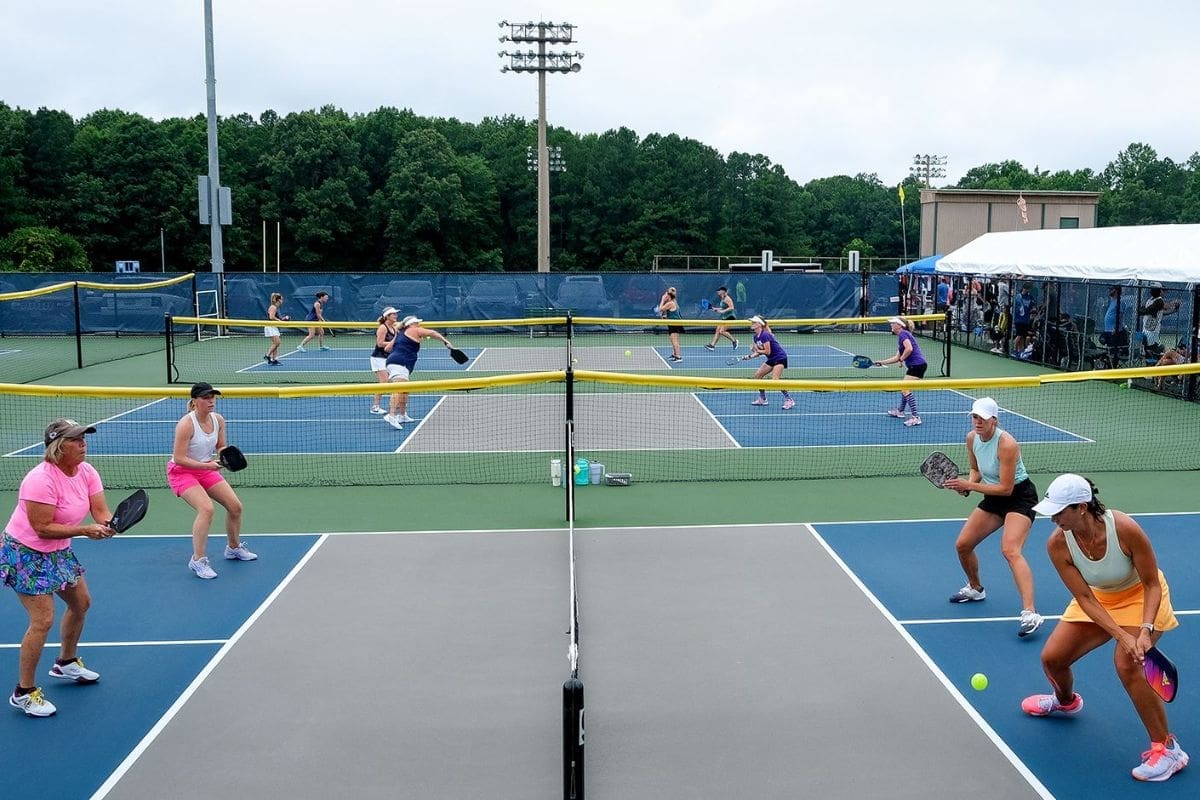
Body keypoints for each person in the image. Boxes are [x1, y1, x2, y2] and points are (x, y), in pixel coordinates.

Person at [1021, 474, 1187, 783]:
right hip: (1099, 599)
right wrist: (1123, 635)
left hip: (1142, 596)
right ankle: (1065, 701)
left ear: (1081, 507)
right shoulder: (1058, 543)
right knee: (1053, 659)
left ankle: (1168, 749)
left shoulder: (1124, 528)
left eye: (1060, 511)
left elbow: (1152, 584)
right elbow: (1084, 596)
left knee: (1128, 664)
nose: (1054, 518)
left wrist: (1145, 631)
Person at [3, 419, 116, 718]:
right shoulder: (40, 479)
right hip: (24, 553)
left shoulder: (87, 471)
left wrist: (109, 525)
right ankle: (23, 692)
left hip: (58, 551)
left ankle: (65, 663)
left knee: (81, 603)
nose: (83, 444)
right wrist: (85, 531)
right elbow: (41, 528)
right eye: (76, 440)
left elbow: (101, 511)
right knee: (42, 620)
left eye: (83, 438)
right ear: (57, 447)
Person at [942, 397, 1044, 638]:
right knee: (963, 545)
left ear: (994, 421)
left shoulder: (1007, 444)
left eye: (982, 418)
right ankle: (976, 588)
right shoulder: (971, 438)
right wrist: (969, 484)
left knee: (1010, 550)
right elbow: (976, 470)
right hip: (993, 496)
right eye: (974, 417)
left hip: (1019, 497)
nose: (977, 422)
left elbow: (1006, 488)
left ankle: (1030, 613)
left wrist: (970, 485)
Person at [169, 382, 254, 580]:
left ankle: (233, 548)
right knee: (206, 509)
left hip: (205, 469)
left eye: (213, 397)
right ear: (195, 401)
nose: (211, 401)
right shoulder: (186, 424)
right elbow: (179, 458)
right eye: (206, 398)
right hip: (182, 472)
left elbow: (221, 446)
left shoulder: (218, 420)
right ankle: (198, 560)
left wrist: (227, 456)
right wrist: (209, 466)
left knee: (235, 506)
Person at [383, 316, 455, 430]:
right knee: (398, 388)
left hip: (396, 362)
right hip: (400, 363)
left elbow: (387, 348)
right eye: (417, 323)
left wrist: (401, 344)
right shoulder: (413, 330)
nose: (419, 325)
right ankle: (391, 415)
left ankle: (402, 415)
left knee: (405, 390)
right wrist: (446, 341)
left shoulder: (400, 333)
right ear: (411, 324)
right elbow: (431, 332)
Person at [875, 316, 927, 427]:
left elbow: (909, 349)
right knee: (904, 388)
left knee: (905, 388)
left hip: (917, 365)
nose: (891, 325)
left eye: (893, 323)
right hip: (916, 366)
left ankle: (916, 417)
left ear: (899, 325)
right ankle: (900, 411)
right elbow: (896, 357)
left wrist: (901, 359)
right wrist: (882, 362)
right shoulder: (902, 336)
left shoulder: (903, 334)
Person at [747, 315, 794, 409]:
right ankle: (763, 399)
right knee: (758, 375)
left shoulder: (765, 335)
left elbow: (767, 351)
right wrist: (750, 356)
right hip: (771, 359)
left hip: (780, 357)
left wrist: (756, 350)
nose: (752, 324)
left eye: (754, 322)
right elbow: (760, 351)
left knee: (775, 380)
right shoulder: (756, 337)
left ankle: (789, 400)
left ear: (759, 324)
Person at [370, 307, 399, 414]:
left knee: (396, 380)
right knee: (384, 382)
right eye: (393, 314)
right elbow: (380, 343)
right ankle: (375, 406)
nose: (396, 316)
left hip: (388, 358)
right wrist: (394, 343)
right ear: (387, 316)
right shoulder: (383, 327)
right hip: (378, 358)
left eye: (396, 314)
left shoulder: (394, 328)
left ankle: (397, 404)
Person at [1137, 284, 1180, 357]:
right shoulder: (1158, 300)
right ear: (1160, 291)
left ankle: (1154, 362)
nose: (1164, 293)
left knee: (1153, 350)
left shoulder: (1154, 301)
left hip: (1152, 331)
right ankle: (1179, 360)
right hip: (1150, 332)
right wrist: (1172, 304)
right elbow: (1143, 310)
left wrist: (1174, 310)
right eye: (1163, 291)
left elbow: (1161, 312)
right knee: (1157, 349)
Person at [705, 286, 738, 351]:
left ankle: (734, 341)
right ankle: (712, 345)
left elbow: (732, 307)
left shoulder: (727, 298)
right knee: (718, 330)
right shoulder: (722, 298)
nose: (717, 292)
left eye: (719, 290)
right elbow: (723, 308)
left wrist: (723, 311)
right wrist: (715, 309)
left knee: (722, 331)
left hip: (730, 317)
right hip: (725, 317)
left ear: (722, 291)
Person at [658, 287, 683, 362]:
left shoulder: (671, 303)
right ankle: (674, 354)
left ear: (669, 296)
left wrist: (662, 299)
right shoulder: (674, 301)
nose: (665, 296)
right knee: (673, 340)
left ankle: (678, 357)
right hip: (673, 322)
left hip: (675, 323)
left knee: (674, 340)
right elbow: (672, 313)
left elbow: (660, 309)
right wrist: (666, 317)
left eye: (666, 295)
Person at [263, 292, 288, 365]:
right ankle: (267, 356)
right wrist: (279, 321)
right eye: (281, 299)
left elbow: (276, 318)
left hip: (274, 326)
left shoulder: (276, 308)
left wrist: (284, 319)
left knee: (276, 343)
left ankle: (274, 360)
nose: (282, 301)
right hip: (270, 326)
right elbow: (271, 317)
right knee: (277, 342)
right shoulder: (273, 307)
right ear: (279, 300)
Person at [1012, 283, 1034, 357]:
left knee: (1022, 337)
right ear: (1024, 288)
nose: (1027, 290)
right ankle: (1014, 351)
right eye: (1026, 288)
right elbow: (1017, 308)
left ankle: (1020, 352)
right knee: (1019, 335)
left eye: (1028, 289)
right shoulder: (1018, 297)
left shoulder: (1030, 297)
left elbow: (1032, 307)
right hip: (1018, 320)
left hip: (1026, 320)